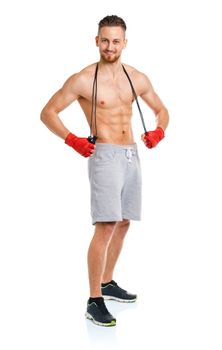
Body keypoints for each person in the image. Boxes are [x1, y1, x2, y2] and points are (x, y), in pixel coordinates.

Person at [40, 15, 169, 327]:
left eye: (116, 41)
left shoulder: (137, 77)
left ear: (124, 43)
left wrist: (159, 131)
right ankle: (94, 299)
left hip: (132, 155)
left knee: (124, 223)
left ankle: (108, 282)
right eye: (105, 40)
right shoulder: (83, 79)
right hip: (105, 155)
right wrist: (73, 141)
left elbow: (162, 110)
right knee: (107, 224)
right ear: (96, 41)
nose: (110, 46)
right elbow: (48, 112)